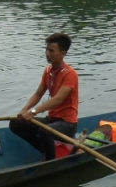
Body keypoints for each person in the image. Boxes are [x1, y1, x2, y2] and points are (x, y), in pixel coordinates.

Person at [9, 32, 79, 160]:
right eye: (47, 49)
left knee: (45, 131)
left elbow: (58, 99)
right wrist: (24, 110)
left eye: (52, 51)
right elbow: (37, 94)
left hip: (67, 123)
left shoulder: (70, 74)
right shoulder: (48, 71)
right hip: (51, 119)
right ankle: (46, 148)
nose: (47, 53)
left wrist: (34, 112)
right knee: (15, 124)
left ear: (63, 53)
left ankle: (49, 160)